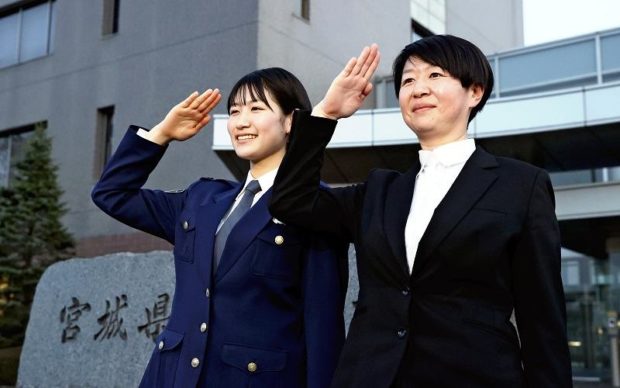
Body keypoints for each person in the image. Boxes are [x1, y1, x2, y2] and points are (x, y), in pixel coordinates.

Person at [269, 36, 572, 387]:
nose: (418, 89)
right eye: (408, 80)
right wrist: (326, 114)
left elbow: (542, 320)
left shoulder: (520, 185)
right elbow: (290, 201)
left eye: (435, 76)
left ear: (474, 92)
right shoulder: (379, 191)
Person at [91, 68, 348, 388]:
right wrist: (161, 134)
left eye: (256, 109)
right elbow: (111, 194)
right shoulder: (202, 199)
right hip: (173, 377)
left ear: (290, 121)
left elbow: (323, 325)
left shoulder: (315, 205)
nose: (241, 122)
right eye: (234, 111)